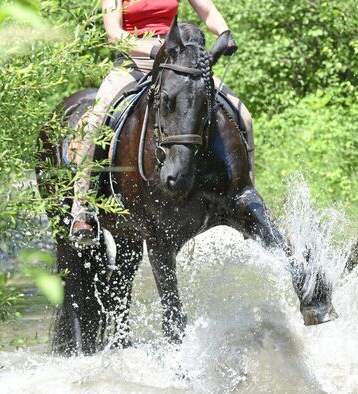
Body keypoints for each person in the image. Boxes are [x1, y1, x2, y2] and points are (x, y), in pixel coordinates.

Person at [67, 0, 254, 242]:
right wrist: (155, 50)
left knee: (243, 115)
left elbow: (208, 11)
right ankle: (83, 209)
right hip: (133, 63)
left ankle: (244, 197)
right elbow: (114, 35)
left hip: (177, 63)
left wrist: (224, 33)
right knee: (94, 122)